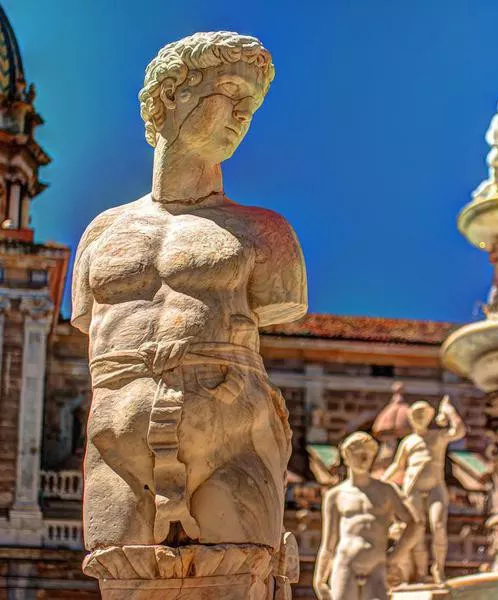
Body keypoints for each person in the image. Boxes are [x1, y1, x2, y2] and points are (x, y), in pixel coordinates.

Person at [72, 31, 307, 554]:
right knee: (120, 580)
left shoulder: (266, 233)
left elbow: (280, 302)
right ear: (172, 93)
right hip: (116, 445)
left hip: (233, 441)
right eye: (231, 91)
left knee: (236, 581)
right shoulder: (101, 233)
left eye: (252, 105)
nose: (243, 114)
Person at [314, 432, 421, 600]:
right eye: (360, 454)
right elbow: (328, 543)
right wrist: (319, 579)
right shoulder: (335, 495)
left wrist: (395, 557)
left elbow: (415, 524)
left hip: (376, 566)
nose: (365, 459)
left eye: (369, 455)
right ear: (347, 456)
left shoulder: (386, 491)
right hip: (345, 564)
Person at [381, 396, 466, 583]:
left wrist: (449, 410)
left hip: (435, 486)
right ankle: (420, 573)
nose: (420, 417)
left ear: (429, 417)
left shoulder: (437, 436)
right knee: (416, 531)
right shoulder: (408, 442)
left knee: (438, 525)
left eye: (424, 414)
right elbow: (397, 465)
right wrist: (380, 482)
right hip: (413, 488)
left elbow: (459, 431)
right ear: (411, 417)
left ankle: (439, 568)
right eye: (417, 414)